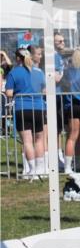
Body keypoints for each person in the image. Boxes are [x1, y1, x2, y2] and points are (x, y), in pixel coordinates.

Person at [5, 46, 46, 179]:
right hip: (39, 108)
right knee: (39, 139)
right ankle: (40, 169)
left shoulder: (14, 72)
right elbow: (44, 90)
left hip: (22, 108)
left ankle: (32, 170)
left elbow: (9, 93)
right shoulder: (39, 72)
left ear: (17, 58)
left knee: (27, 141)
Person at [61, 48, 80, 172]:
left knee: (73, 136)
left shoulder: (68, 71)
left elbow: (64, 86)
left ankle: (70, 166)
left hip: (73, 105)